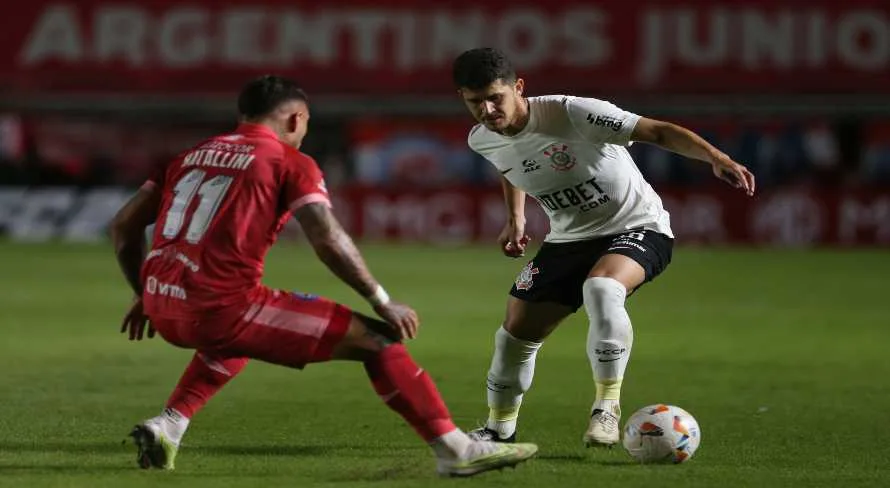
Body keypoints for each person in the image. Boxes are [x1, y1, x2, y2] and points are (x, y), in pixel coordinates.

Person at [110, 75, 537, 477]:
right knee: (378, 341)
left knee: (238, 340)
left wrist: (143, 292)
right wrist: (381, 299)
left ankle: (169, 426)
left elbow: (125, 226)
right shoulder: (286, 161)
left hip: (161, 301)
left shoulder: (188, 156)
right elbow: (328, 239)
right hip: (220, 308)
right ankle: (455, 451)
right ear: (296, 119)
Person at [451, 48, 755, 447]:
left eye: (496, 98)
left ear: (518, 87)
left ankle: (606, 409)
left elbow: (657, 131)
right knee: (514, 335)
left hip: (637, 226)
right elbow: (511, 163)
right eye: (476, 102)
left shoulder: (572, 112)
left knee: (602, 288)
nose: (488, 110)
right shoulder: (482, 139)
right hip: (567, 239)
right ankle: (498, 430)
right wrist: (516, 217)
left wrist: (715, 157)